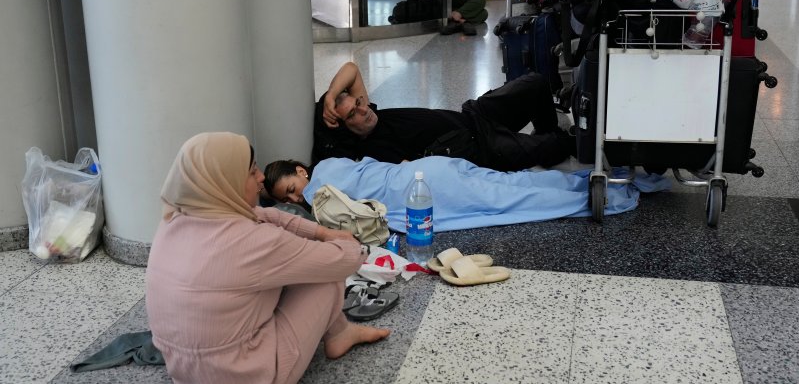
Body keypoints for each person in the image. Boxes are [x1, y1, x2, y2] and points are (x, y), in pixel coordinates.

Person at [145, 132, 390, 384]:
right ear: (229, 181)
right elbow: (342, 262)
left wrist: (321, 231)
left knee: (297, 265)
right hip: (251, 374)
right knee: (325, 275)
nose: (261, 177)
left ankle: (340, 331)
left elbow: (261, 214)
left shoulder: (172, 221)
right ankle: (339, 334)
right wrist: (351, 244)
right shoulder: (253, 241)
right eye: (252, 171)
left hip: (184, 371)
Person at [263, 156, 670, 233]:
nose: (299, 198)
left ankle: (606, 194)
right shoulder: (339, 162)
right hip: (432, 171)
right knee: (515, 183)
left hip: (427, 188)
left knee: (514, 199)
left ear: (302, 171)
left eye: (293, 189)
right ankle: (596, 179)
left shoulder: (323, 180)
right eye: (290, 199)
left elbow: (330, 210)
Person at [312, 62, 574, 172]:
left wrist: (331, 96)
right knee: (558, 144)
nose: (363, 108)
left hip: (476, 114)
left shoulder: (370, 112)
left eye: (358, 102)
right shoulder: (376, 150)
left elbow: (352, 69)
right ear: (346, 127)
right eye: (353, 113)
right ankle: (546, 142)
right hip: (481, 148)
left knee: (536, 83)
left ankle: (543, 132)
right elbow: (415, 174)